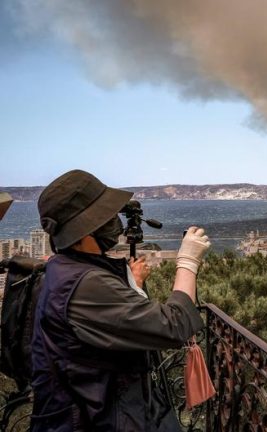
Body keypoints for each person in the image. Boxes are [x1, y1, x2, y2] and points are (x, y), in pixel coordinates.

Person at [30, 169, 210, 431]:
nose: (115, 222)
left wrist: (132, 285)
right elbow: (174, 325)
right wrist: (188, 260)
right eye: (106, 216)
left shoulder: (62, 268)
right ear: (86, 230)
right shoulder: (85, 284)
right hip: (99, 419)